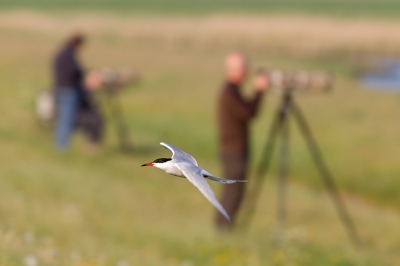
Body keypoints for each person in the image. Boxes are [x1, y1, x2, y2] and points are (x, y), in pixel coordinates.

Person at [216, 52, 269, 231]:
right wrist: (259, 91)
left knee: (234, 191)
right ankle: (223, 230)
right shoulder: (230, 92)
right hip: (234, 151)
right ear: (240, 70)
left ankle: (224, 229)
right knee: (233, 193)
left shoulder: (231, 90)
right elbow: (248, 113)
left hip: (233, 149)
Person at [53, 34, 103, 151]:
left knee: (63, 119)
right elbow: (74, 73)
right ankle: (61, 149)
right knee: (66, 119)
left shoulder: (62, 53)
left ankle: (60, 147)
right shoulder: (68, 55)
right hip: (68, 91)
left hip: (61, 89)